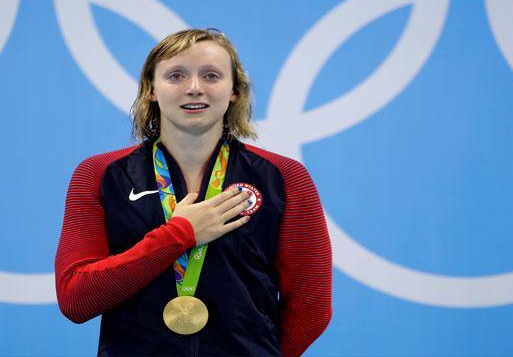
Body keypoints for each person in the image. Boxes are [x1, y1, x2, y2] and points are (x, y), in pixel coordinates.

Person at [55, 28, 332, 356]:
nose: (194, 88)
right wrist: (180, 234)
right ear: (151, 90)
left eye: (212, 76)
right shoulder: (100, 174)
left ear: (234, 91)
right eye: (176, 76)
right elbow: (76, 298)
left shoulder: (284, 177)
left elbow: (312, 308)